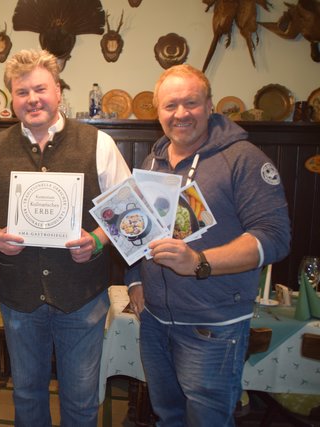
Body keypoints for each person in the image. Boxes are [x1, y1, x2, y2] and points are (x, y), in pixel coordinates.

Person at [0, 49, 131, 426]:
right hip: (19, 298)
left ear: (58, 91)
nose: (32, 99)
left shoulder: (98, 144)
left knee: (81, 400)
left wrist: (98, 240)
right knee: (26, 397)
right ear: (12, 98)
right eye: (22, 92)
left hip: (82, 299)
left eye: (40, 88)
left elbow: (129, 213)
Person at [126, 64, 291, 426]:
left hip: (212, 326)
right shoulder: (153, 160)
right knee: (167, 414)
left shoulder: (243, 159)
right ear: (158, 112)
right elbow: (137, 229)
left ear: (210, 105)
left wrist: (200, 261)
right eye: (170, 105)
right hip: (155, 320)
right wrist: (135, 280)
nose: (181, 113)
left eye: (191, 103)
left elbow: (275, 237)